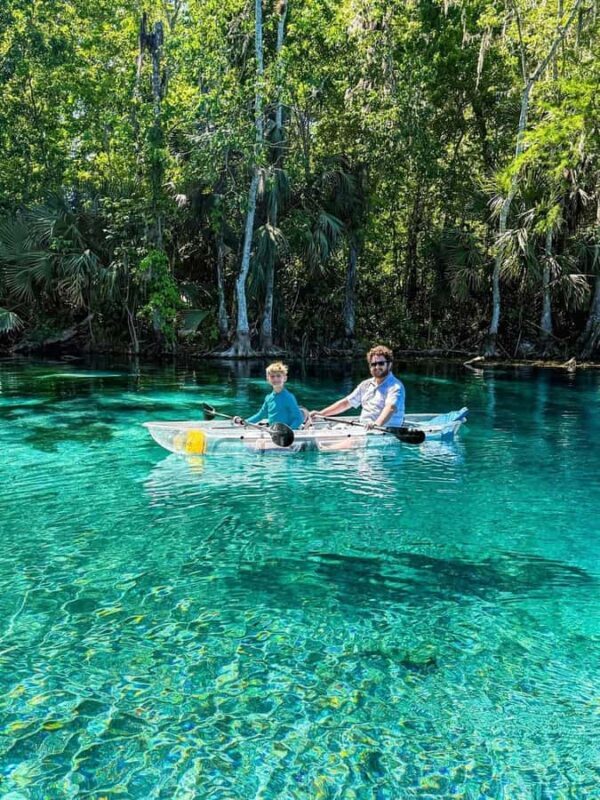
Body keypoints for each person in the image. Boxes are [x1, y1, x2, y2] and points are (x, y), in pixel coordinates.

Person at [310, 345, 405, 430]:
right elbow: (346, 403)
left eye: (381, 363)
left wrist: (376, 424)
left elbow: (390, 408)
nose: (377, 367)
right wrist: (321, 414)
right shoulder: (365, 385)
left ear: (389, 364)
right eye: (373, 364)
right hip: (363, 429)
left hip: (380, 432)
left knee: (331, 447)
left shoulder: (395, 386)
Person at [234, 361, 305, 430]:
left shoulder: (289, 397)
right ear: (268, 379)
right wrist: (245, 422)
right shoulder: (268, 398)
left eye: (278, 376)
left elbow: (298, 419)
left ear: (285, 378)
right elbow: (260, 415)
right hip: (273, 431)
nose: (275, 379)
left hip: (286, 435)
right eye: (272, 376)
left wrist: (289, 430)